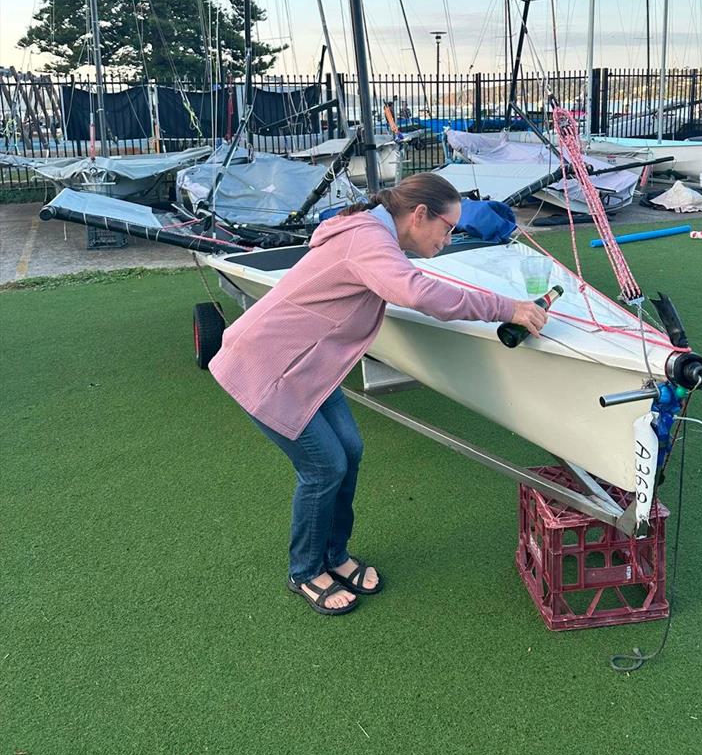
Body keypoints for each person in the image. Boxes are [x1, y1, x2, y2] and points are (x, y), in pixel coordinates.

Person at [209, 173, 548, 616]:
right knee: (324, 467)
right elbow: (415, 292)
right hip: (267, 367)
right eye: (448, 228)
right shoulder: (368, 237)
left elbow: (405, 284)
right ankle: (305, 570)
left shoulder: (374, 233)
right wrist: (507, 308)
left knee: (349, 450)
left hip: (307, 369)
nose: (449, 239)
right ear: (420, 214)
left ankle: (334, 555)